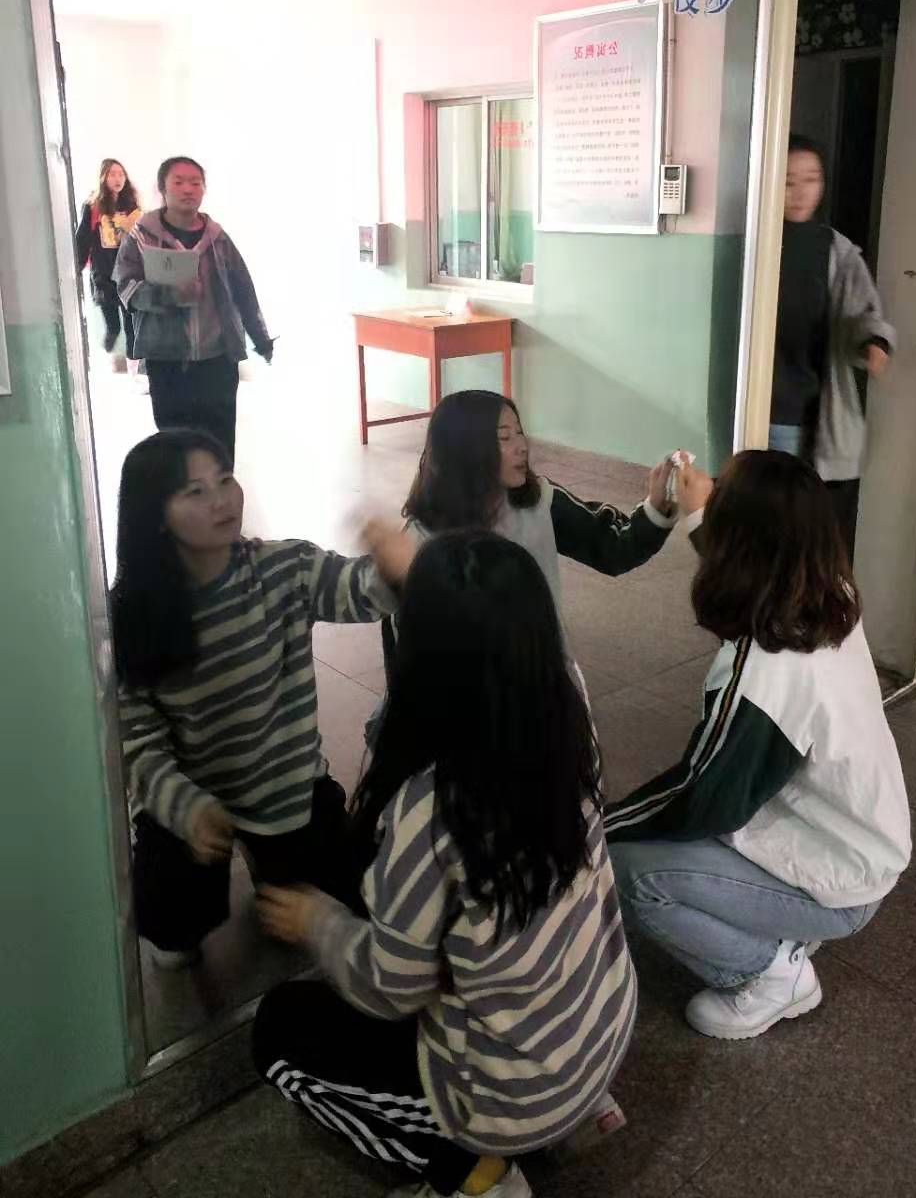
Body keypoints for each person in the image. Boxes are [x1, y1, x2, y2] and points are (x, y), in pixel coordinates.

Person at [253, 531, 637, 1198]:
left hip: (508, 1096)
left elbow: (392, 989)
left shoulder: (431, 807)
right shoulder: (568, 708)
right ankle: (572, 1116)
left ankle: (476, 1175)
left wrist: (319, 923)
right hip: (601, 1034)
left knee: (278, 1030)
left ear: (423, 657)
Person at [606, 449, 911, 1041]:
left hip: (836, 886)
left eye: (721, 494)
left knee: (630, 868)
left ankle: (772, 975)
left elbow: (702, 796)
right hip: (861, 847)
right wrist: (698, 515)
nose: (711, 490)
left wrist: (594, 830)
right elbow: (754, 573)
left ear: (741, 546)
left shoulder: (765, 676)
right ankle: (772, 920)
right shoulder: (827, 594)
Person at [112, 428, 411, 968]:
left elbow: (357, 591)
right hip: (195, 804)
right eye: (195, 491)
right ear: (155, 516)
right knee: (173, 933)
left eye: (225, 479)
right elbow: (138, 745)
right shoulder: (131, 616)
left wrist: (393, 567)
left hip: (286, 790)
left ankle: (268, 856)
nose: (222, 499)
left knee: (347, 905)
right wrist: (189, 810)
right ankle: (204, 874)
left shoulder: (284, 567)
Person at [402, 389, 680, 621]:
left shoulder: (540, 502)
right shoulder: (422, 536)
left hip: (540, 666)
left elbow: (614, 548)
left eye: (519, 433)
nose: (522, 446)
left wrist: (655, 509)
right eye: (504, 437)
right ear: (465, 450)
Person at [770, 134, 895, 556]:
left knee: (803, 517)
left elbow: (863, 309)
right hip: (763, 400)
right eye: (788, 180)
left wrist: (874, 340)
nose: (801, 191)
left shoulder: (836, 249)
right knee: (769, 514)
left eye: (811, 178)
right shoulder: (755, 239)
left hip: (811, 401)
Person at [113, 156, 273, 462]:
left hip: (217, 360)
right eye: (178, 182)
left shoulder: (217, 238)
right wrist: (167, 295)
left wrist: (260, 338)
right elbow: (126, 289)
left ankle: (219, 491)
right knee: (176, 446)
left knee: (219, 442)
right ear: (162, 189)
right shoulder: (142, 236)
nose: (188, 189)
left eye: (196, 183)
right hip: (167, 361)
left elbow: (243, 289)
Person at [74, 158, 141, 373]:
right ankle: (104, 364)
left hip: (129, 275)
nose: (118, 178)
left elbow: (143, 239)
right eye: (112, 174)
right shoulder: (93, 207)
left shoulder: (131, 207)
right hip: (104, 275)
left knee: (132, 326)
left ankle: (133, 374)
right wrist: (76, 269)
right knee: (113, 327)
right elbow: (83, 238)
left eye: (121, 174)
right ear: (103, 177)